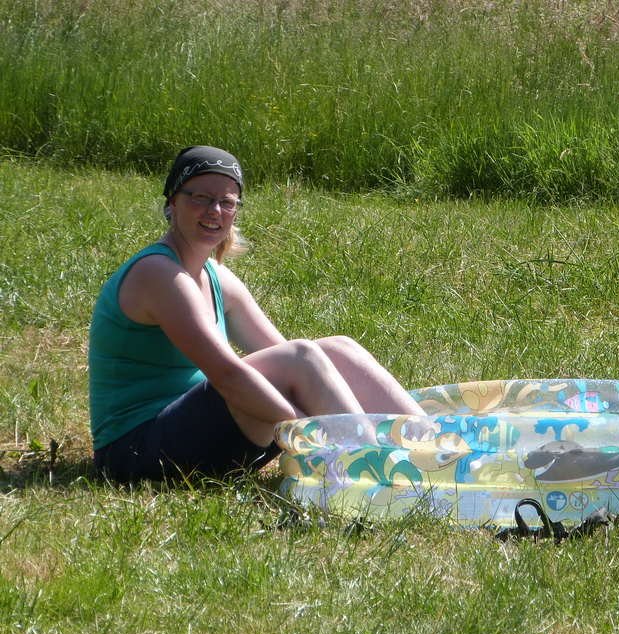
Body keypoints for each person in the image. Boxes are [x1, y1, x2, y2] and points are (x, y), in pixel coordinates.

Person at [89, 145, 426, 483]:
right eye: (201, 197)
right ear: (173, 201)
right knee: (301, 357)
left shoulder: (215, 276)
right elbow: (229, 376)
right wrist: (307, 431)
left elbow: (293, 361)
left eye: (227, 202)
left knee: (337, 349)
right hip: (133, 453)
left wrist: (314, 407)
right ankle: (376, 474)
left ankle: (432, 453)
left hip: (192, 434)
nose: (215, 210)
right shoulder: (158, 273)